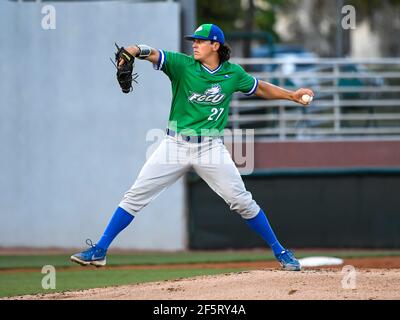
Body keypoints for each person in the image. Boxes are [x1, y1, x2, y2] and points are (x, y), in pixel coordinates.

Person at [71, 24, 314, 271]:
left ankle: (280, 251)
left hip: (210, 147)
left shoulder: (233, 74)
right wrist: (135, 49)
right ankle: (100, 250)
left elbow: (259, 87)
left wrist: (292, 96)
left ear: (215, 45)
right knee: (135, 196)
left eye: (200, 41)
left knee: (241, 201)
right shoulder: (182, 65)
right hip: (174, 145)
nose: (194, 44)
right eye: (194, 41)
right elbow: (153, 53)